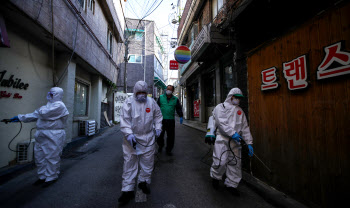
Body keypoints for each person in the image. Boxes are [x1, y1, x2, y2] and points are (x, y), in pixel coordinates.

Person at [10, 87, 69, 187]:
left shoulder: (60, 106)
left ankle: (51, 177)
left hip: (54, 134)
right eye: (49, 93)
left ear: (58, 95)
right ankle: (42, 177)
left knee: (52, 156)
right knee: (39, 156)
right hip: (41, 133)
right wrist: (20, 118)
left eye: (52, 94)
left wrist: (39, 111)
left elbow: (43, 113)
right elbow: (36, 115)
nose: (50, 95)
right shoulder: (48, 105)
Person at [118, 81, 163, 204]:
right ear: (135, 92)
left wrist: (158, 128)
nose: (142, 95)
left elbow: (158, 116)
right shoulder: (128, 102)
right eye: (140, 92)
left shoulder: (152, 102)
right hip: (131, 139)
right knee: (129, 164)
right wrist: (128, 134)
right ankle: (127, 190)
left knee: (148, 163)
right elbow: (124, 120)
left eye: (144, 92)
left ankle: (143, 182)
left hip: (148, 138)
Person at [207, 87, 254, 196]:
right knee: (220, 161)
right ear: (231, 97)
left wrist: (249, 142)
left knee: (235, 164)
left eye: (239, 98)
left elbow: (245, 128)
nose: (238, 99)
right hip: (222, 139)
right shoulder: (220, 107)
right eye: (236, 97)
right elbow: (221, 123)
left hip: (235, 142)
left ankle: (231, 184)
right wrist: (232, 133)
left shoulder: (240, 111)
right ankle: (215, 177)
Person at [156, 85, 183, 156]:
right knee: (160, 135)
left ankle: (169, 149)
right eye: (167, 89)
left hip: (171, 120)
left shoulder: (175, 99)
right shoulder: (161, 97)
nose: (168, 91)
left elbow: (178, 108)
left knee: (170, 136)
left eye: (170, 89)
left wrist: (181, 116)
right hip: (161, 120)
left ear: (172, 91)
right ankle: (160, 146)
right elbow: (156, 108)